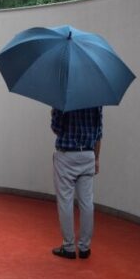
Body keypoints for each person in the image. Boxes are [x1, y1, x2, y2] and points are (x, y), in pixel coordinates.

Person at [50, 105, 103, 260]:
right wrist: (97, 158)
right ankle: (85, 247)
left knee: (65, 201)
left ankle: (69, 247)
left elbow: (57, 128)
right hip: (88, 154)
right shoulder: (96, 101)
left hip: (67, 156)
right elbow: (98, 133)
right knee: (87, 202)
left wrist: (54, 112)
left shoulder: (63, 99)